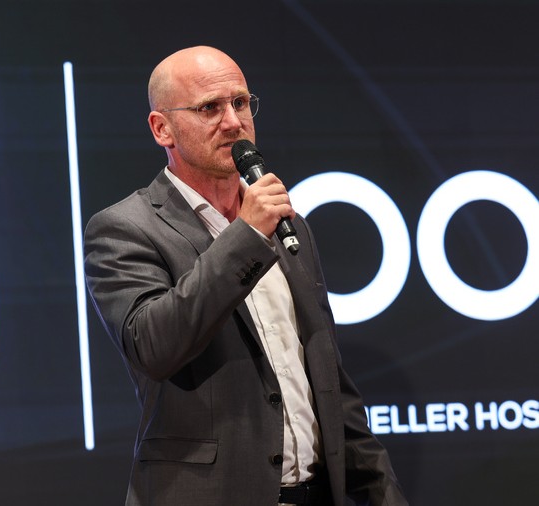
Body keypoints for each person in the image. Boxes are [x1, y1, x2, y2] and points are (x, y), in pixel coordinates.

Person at [83, 46, 408, 506]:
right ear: (161, 129)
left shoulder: (289, 226)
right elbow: (154, 346)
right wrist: (247, 235)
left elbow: (329, 380)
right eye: (209, 108)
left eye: (240, 102)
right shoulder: (125, 228)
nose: (233, 122)